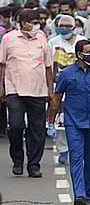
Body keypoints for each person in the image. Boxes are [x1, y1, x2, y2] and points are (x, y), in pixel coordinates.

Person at [48, 39, 90, 205]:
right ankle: (78, 194)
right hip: (73, 123)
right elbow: (57, 98)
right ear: (79, 54)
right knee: (76, 158)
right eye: (89, 52)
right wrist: (50, 121)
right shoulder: (67, 73)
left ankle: (87, 194)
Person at [0, 9, 54, 178]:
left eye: (37, 21)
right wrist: (1, 87)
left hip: (38, 90)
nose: (35, 24)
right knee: (16, 125)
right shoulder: (8, 38)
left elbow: (48, 66)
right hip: (14, 89)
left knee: (36, 129)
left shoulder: (42, 38)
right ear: (21, 23)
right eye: (32, 21)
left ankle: (34, 164)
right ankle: (17, 159)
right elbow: (2, 64)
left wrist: (50, 89)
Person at [48, 14, 87, 164]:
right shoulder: (53, 42)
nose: (63, 28)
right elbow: (49, 65)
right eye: (61, 25)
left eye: (67, 25)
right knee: (60, 120)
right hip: (59, 85)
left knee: (79, 119)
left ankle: (77, 149)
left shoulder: (82, 41)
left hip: (79, 85)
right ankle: (63, 150)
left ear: (74, 27)